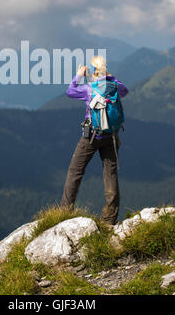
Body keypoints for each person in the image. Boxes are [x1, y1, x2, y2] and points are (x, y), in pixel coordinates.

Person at [60, 56, 128, 225]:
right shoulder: (114, 86)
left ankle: (63, 212)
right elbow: (125, 90)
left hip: (90, 137)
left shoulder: (89, 88)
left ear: (91, 70)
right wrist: (110, 76)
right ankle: (110, 218)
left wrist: (79, 75)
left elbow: (70, 91)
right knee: (110, 173)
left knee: (75, 172)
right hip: (111, 136)